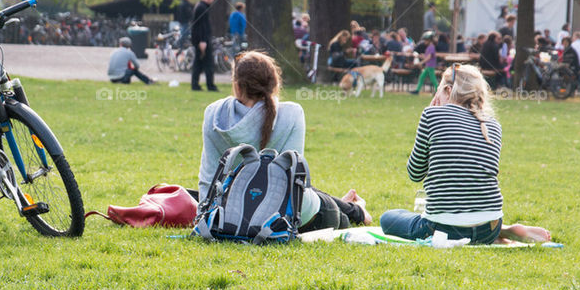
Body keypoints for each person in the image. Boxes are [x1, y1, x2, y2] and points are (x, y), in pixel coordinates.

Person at [199, 50, 370, 231]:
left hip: (231, 216)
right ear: (274, 84)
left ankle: (354, 209)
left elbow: (208, 179)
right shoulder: (292, 113)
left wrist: (204, 218)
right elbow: (295, 183)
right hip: (290, 218)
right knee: (329, 209)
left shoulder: (214, 115)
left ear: (237, 86)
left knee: (316, 196)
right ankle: (359, 211)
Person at [381, 64, 551, 245]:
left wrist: (430, 116)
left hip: (442, 228)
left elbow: (414, 174)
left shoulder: (432, 115)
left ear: (447, 90)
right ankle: (502, 230)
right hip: (489, 227)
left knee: (388, 218)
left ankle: (485, 230)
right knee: (476, 218)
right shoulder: (493, 126)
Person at [190, 0, 218, 91]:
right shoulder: (201, 7)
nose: (213, 0)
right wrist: (202, 41)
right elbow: (200, 26)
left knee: (199, 63)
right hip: (202, 41)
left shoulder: (202, 7)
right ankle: (210, 85)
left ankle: (196, 85)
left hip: (202, 40)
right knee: (207, 63)